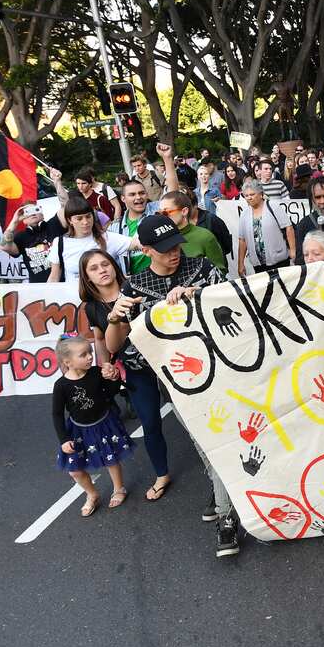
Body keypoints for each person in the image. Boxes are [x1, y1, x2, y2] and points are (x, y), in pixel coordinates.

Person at [102, 215, 238, 557]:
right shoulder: (134, 286)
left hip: (218, 370)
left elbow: (233, 305)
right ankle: (224, 494)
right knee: (203, 443)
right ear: (146, 250)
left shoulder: (202, 268)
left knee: (217, 440)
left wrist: (199, 294)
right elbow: (115, 344)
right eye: (164, 250)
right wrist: (115, 316)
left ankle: (227, 517)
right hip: (173, 381)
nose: (174, 253)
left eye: (176, 245)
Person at [52, 334, 132, 518]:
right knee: (74, 470)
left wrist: (114, 377)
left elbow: (111, 393)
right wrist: (63, 439)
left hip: (103, 424)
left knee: (111, 458)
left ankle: (119, 488)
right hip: (78, 429)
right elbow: (57, 414)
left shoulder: (96, 373)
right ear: (68, 362)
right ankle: (91, 493)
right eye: (83, 354)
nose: (90, 356)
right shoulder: (61, 385)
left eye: (89, 352)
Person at [47, 196, 137, 283]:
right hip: (74, 296)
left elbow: (136, 243)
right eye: (79, 218)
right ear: (70, 220)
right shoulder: (60, 243)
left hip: (107, 296)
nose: (85, 222)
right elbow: (54, 277)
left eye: (88, 216)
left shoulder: (107, 238)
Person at [237, 180, 295, 275]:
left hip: (279, 261)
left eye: (252, 194)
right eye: (246, 196)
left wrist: (293, 251)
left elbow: (288, 228)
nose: (249, 198)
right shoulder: (244, 214)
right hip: (258, 265)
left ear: (261, 194)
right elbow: (242, 240)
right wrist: (240, 263)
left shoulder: (273, 206)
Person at [158, 191, 225, 272]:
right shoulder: (160, 239)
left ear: (184, 211)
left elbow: (220, 270)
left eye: (166, 212)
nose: (162, 217)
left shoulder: (204, 236)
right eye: (160, 213)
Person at [1, 202, 65, 283]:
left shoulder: (53, 225)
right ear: (23, 220)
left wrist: (57, 188)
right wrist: (15, 221)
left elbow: (65, 206)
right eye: (28, 212)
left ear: (42, 214)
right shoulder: (21, 236)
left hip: (62, 283)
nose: (33, 214)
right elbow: (3, 246)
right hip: (36, 286)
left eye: (36, 209)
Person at [109, 179, 161, 274]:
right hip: (134, 281)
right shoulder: (114, 228)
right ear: (123, 198)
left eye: (141, 193)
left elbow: (173, 194)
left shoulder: (158, 210)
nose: (138, 197)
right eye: (132, 194)